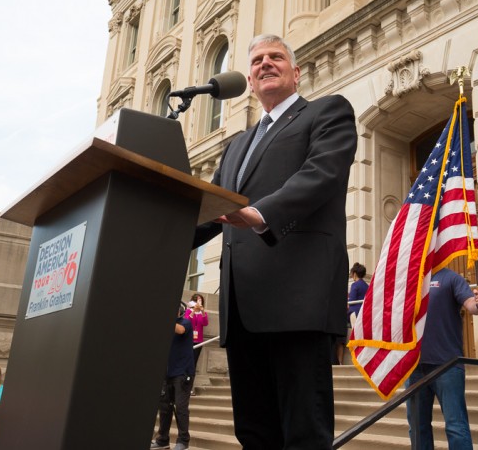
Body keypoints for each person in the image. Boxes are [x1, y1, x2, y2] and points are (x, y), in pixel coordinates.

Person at [192, 33, 357, 449]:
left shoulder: (327, 113)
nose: (266, 64)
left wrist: (261, 214)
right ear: (249, 78)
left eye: (276, 57)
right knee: (254, 433)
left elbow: (321, 174)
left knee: (303, 434)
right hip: (242, 310)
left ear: (296, 72)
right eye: (258, 60)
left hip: (297, 303)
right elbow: (210, 210)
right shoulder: (235, 147)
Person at [405, 267, 478, 450]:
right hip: (413, 367)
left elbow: (472, 306)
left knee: (456, 427)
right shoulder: (409, 279)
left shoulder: (451, 278)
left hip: (447, 366)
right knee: (418, 429)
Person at [151, 303, 195, 450]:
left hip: (183, 373)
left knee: (181, 407)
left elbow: (181, 330)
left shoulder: (185, 323)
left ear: (180, 311)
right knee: (164, 408)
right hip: (167, 373)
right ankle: (163, 440)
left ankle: (183, 441)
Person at [185, 293, 208, 395]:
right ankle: (183, 386)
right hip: (188, 341)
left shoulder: (204, 313)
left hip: (198, 341)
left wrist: (202, 311)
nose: (199, 302)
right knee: (186, 363)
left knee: (193, 364)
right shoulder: (189, 311)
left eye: (201, 300)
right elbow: (187, 322)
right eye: (197, 300)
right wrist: (194, 311)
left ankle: (190, 387)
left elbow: (205, 323)